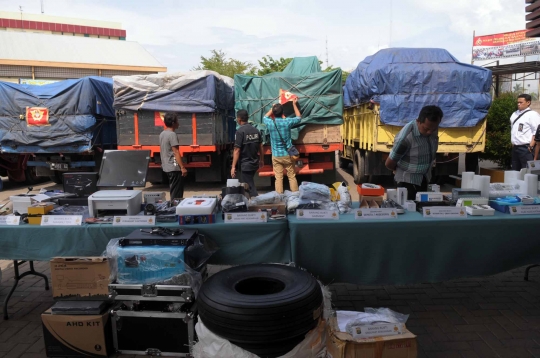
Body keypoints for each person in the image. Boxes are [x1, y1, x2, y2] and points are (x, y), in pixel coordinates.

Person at [385, 105, 443, 200]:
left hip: (424, 178)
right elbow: (389, 163)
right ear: (418, 121)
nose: (429, 132)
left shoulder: (432, 128)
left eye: (433, 129)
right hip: (407, 183)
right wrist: (400, 170)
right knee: (409, 212)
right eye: (426, 129)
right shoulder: (406, 138)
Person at [262, 99, 302, 193]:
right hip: (288, 154)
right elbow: (299, 117)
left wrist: (273, 108)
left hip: (276, 156)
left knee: (278, 178)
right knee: (291, 176)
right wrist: (294, 104)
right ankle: (295, 196)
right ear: (283, 112)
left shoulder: (270, 123)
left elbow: (265, 117)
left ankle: (279, 197)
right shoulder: (287, 122)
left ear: (273, 113)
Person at [231, 109, 263, 197]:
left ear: (239, 119)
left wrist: (233, 166)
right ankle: (249, 203)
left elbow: (237, 150)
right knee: (248, 184)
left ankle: (256, 204)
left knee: (250, 186)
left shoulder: (240, 132)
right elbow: (261, 147)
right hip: (254, 163)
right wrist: (261, 160)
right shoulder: (256, 130)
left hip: (246, 164)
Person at [159, 112, 188, 201]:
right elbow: (176, 152)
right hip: (174, 167)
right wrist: (182, 167)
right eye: (177, 121)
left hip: (166, 166)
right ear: (173, 123)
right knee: (177, 194)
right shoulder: (172, 135)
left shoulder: (162, 134)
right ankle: (175, 210)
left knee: (173, 190)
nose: (178, 123)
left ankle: (173, 207)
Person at [510, 94, 540, 170]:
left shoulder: (533, 115)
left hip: (526, 148)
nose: (518, 104)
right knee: (515, 170)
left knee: (527, 171)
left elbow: (536, 132)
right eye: (517, 102)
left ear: (528, 102)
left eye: (521, 102)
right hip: (515, 147)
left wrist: (531, 146)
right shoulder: (514, 114)